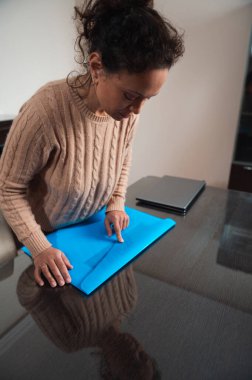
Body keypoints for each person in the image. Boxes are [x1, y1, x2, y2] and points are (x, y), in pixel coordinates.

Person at [0, 0, 184, 288]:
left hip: (90, 228)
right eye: (131, 95)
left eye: (148, 98)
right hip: (40, 240)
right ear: (97, 67)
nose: (138, 110)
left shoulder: (125, 112)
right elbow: (8, 189)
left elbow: (122, 157)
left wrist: (116, 204)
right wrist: (40, 248)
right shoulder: (45, 111)